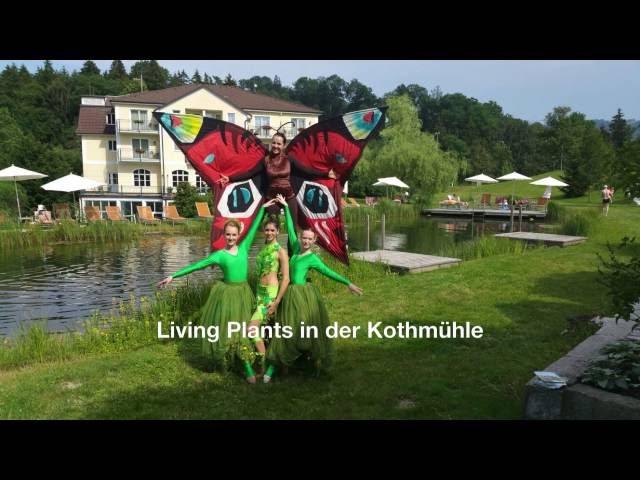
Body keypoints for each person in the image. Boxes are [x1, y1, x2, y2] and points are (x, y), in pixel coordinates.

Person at [157, 198, 277, 384]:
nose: (230, 237)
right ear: (224, 235)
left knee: (248, 330)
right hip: (227, 295)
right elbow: (197, 265)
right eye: (227, 235)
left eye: (233, 235)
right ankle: (246, 368)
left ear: (239, 235)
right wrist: (174, 276)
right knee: (234, 331)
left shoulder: (244, 248)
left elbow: (253, 227)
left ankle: (260, 363)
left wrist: (263, 208)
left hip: (244, 293)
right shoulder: (219, 255)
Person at [264, 194, 363, 383]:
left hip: (303, 296)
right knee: (284, 330)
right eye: (304, 238)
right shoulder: (295, 246)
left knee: (301, 330)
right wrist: (285, 208)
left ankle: (309, 361)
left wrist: (347, 283)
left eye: (310, 239)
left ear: (315, 240)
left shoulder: (312, 258)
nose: (306, 241)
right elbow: (292, 230)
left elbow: (328, 272)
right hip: (288, 294)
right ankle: (274, 367)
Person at [218, 131, 336, 227]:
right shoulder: (265, 160)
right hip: (272, 199)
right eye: (274, 143)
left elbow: (306, 171)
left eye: (279, 144)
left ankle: (291, 255)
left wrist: (326, 174)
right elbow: (250, 173)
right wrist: (230, 178)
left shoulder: (289, 159)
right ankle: (272, 254)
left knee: (292, 228)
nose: (275, 146)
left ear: (283, 145)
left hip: (289, 197)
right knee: (272, 226)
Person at [248, 213, 290, 377]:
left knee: (252, 329)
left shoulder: (281, 251)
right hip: (259, 293)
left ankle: (265, 367)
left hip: (270, 296)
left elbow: (286, 278)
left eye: (272, 230)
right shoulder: (263, 248)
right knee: (268, 333)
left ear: (278, 231)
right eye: (266, 230)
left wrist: (277, 301)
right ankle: (270, 367)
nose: (269, 233)